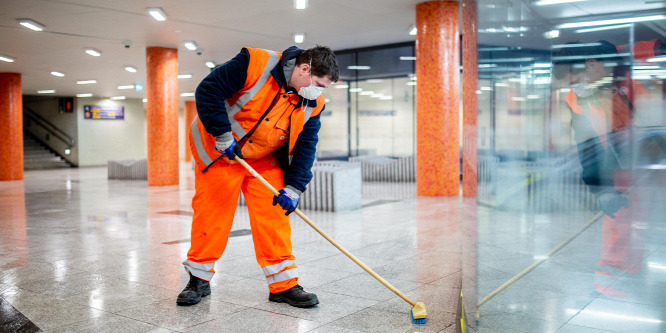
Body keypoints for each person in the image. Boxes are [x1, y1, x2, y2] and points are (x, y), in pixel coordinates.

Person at [177, 45, 339, 307]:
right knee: (212, 215)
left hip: (264, 158)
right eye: (319, 84)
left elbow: (306, 145)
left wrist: (294, 188)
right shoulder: (255, 63)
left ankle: (282, 285)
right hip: (222, 152)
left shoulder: (313, 103)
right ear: (305, 69)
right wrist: (222, 133)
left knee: (274, 216)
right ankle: (198, 280)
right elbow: (208, 90)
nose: (319, 92)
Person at [552, 39, 664, 299]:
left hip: (658, 159)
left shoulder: (636, 75)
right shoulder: (577, 98)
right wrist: (601, 190)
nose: (574, 87)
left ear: (592, 66)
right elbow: (587, 145)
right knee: (618, 218)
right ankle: (611, 284)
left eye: (575, 79)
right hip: (624, 167)